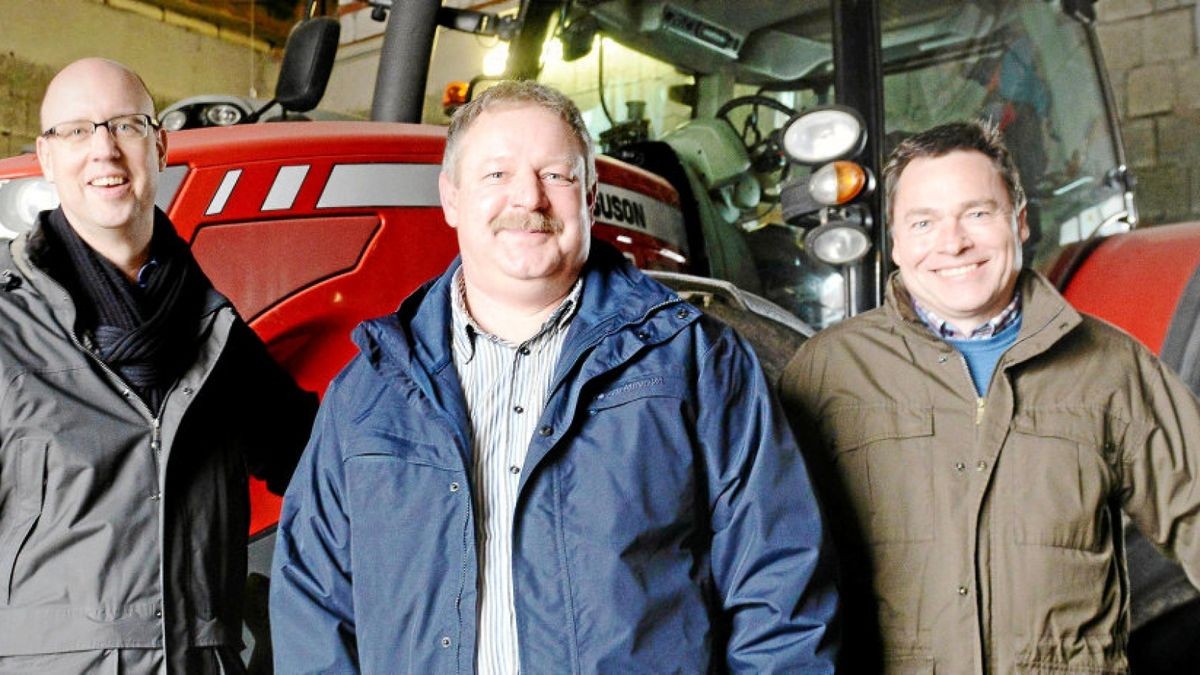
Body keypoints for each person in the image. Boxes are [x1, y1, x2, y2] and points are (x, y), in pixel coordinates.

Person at [270, 80, 838, 674]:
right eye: (495, 175)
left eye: (556, 176)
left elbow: (780, 590)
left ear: (590, 195)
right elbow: (314, 604)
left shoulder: (697, 363)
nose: (529, 199)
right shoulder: (369, 391)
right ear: (451, 198)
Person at [780, 120, 1200, 673]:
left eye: (977, 213)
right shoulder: (828, 373)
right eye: (924, 221)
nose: (953, 242)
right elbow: (773, 566)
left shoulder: (1111, 368)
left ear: (1019, 223)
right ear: (897, 243)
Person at [0, 58, 316, 673]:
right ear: (45, 155)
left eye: (125, 126)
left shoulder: (217, 336)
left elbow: (321, 463)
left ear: (160, 145)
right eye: (76, 131)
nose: (104, 151)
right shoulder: (6, 333)